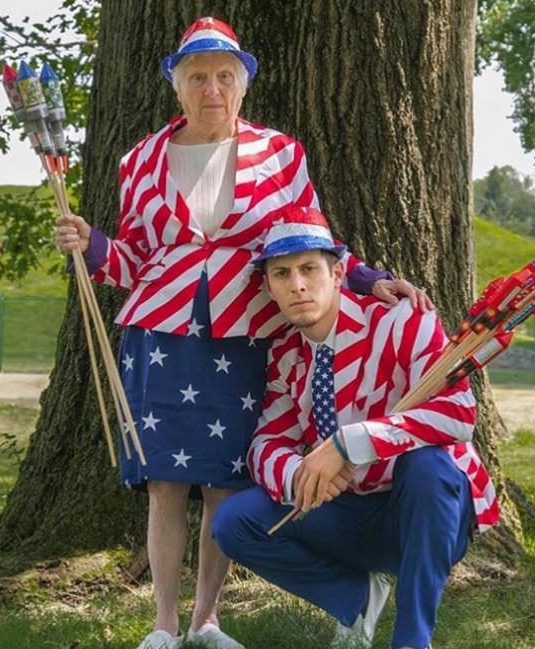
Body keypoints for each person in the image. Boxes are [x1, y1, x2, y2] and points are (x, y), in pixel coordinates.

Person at [55, 17, 432, 649]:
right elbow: (134, 262)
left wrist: (367, 281)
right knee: (166, 485)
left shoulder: (280, 154)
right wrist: (91, 244)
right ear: (177, 85)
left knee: (225, 482)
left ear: (243, 84)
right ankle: (163, 625)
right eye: (197, 76)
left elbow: (313, 236)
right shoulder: (140, 160)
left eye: (225, 76)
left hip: (248, 334)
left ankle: (207, 620)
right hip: (160, 331)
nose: (212, 89)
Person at [212, 206, 500, 649]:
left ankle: (412, 639)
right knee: (234, 521)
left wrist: (350, 444)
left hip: (427, 511)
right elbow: (266, 442)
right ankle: (356, 598)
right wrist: (299, 474)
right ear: (268, 285)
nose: (298, 285)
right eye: (282, 274)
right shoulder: (286, 355)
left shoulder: (404, 320)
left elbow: (458, 413)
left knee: (428, 466)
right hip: (351, 512)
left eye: (309, 269)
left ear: (339, 272)